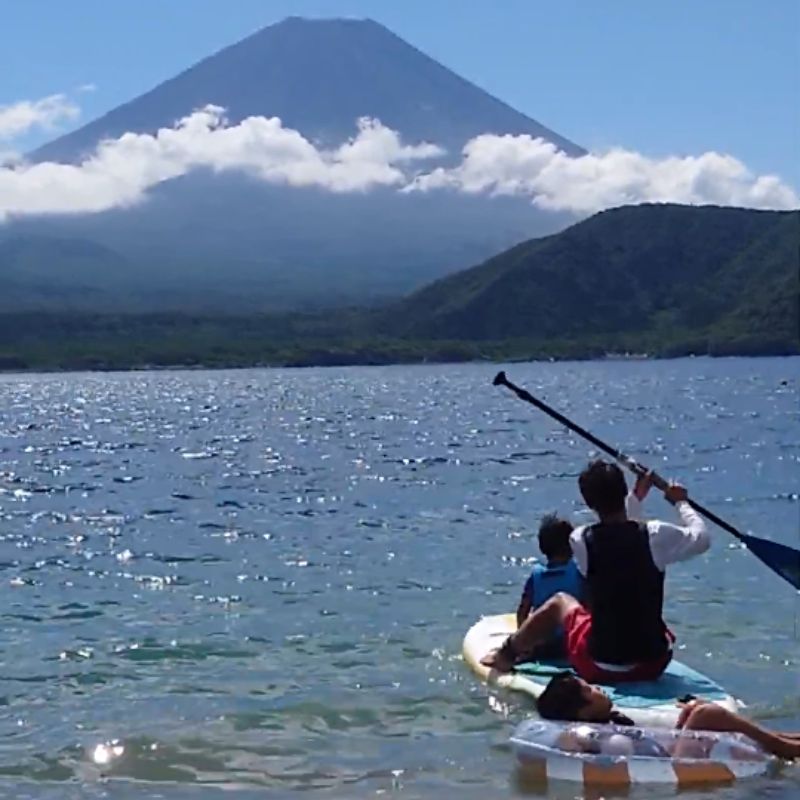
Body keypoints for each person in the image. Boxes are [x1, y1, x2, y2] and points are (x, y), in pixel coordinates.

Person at [482, 460, 710, 682]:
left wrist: (636, 498)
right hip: (653, 665)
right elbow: (701, 538)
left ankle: (505, 656)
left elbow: (624, 536)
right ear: (622, 491)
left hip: (598, 666)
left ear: (589, 503)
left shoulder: (580, 539)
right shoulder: (657, 534)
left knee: (561, 601)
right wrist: (681, 503)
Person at [535, 671, 800, 761]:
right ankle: (785, 748)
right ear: (582, 712)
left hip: (671, 756)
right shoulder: (590, 737)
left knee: (696, 710)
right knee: (706, 714)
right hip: (675, 767)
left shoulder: (611, 723)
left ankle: (784, 740)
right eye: (591, 690)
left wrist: (685, 723)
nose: (599, 688)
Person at [515, 514, 585, 660]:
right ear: (572, 546)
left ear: (542, 547)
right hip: (569, 646)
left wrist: (524, 642)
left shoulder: (536, 575)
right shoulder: (578, 573)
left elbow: (522, 612)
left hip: (542, 647)